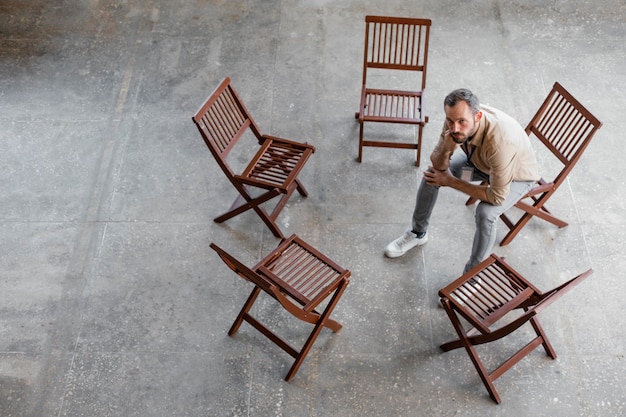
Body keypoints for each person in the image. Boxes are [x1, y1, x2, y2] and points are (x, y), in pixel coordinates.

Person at [384, 88, 540, 274]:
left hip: (516, 177)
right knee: (432, 176)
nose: (455, 128)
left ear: (478, 117)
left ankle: (472, 276)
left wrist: (450, 181)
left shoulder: (501, 143)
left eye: (461, 122)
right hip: (480, 165)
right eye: (450, 121)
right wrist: (446, 148)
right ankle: (418, 233)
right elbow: (438, 165)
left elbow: (497, 197)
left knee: (485, 213)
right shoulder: (455, 118)